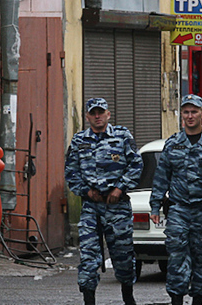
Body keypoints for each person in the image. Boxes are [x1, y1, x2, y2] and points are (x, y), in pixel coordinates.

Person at [149, 94, 202, 305]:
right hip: (179, 210)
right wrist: (155, 206)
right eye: (186, 112)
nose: (190, 116)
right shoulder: (173, 144)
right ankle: (176, 299)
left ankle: (198, 300)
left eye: (194, 111)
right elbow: (161, 176)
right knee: (176, 256)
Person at [65, 98, 143, 305]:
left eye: (101, 112)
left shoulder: (122, 136)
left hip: (118, 208)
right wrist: (87, 192)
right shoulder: (79, 141)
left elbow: (136, 166)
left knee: (123, 257)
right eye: (93, 113)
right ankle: (89, 300)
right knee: (89, 257)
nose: (97, 116)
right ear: (88, 116)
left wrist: (120, 188)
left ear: (108, 114)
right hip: (91, 207)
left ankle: (128, 296)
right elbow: (71, 173)